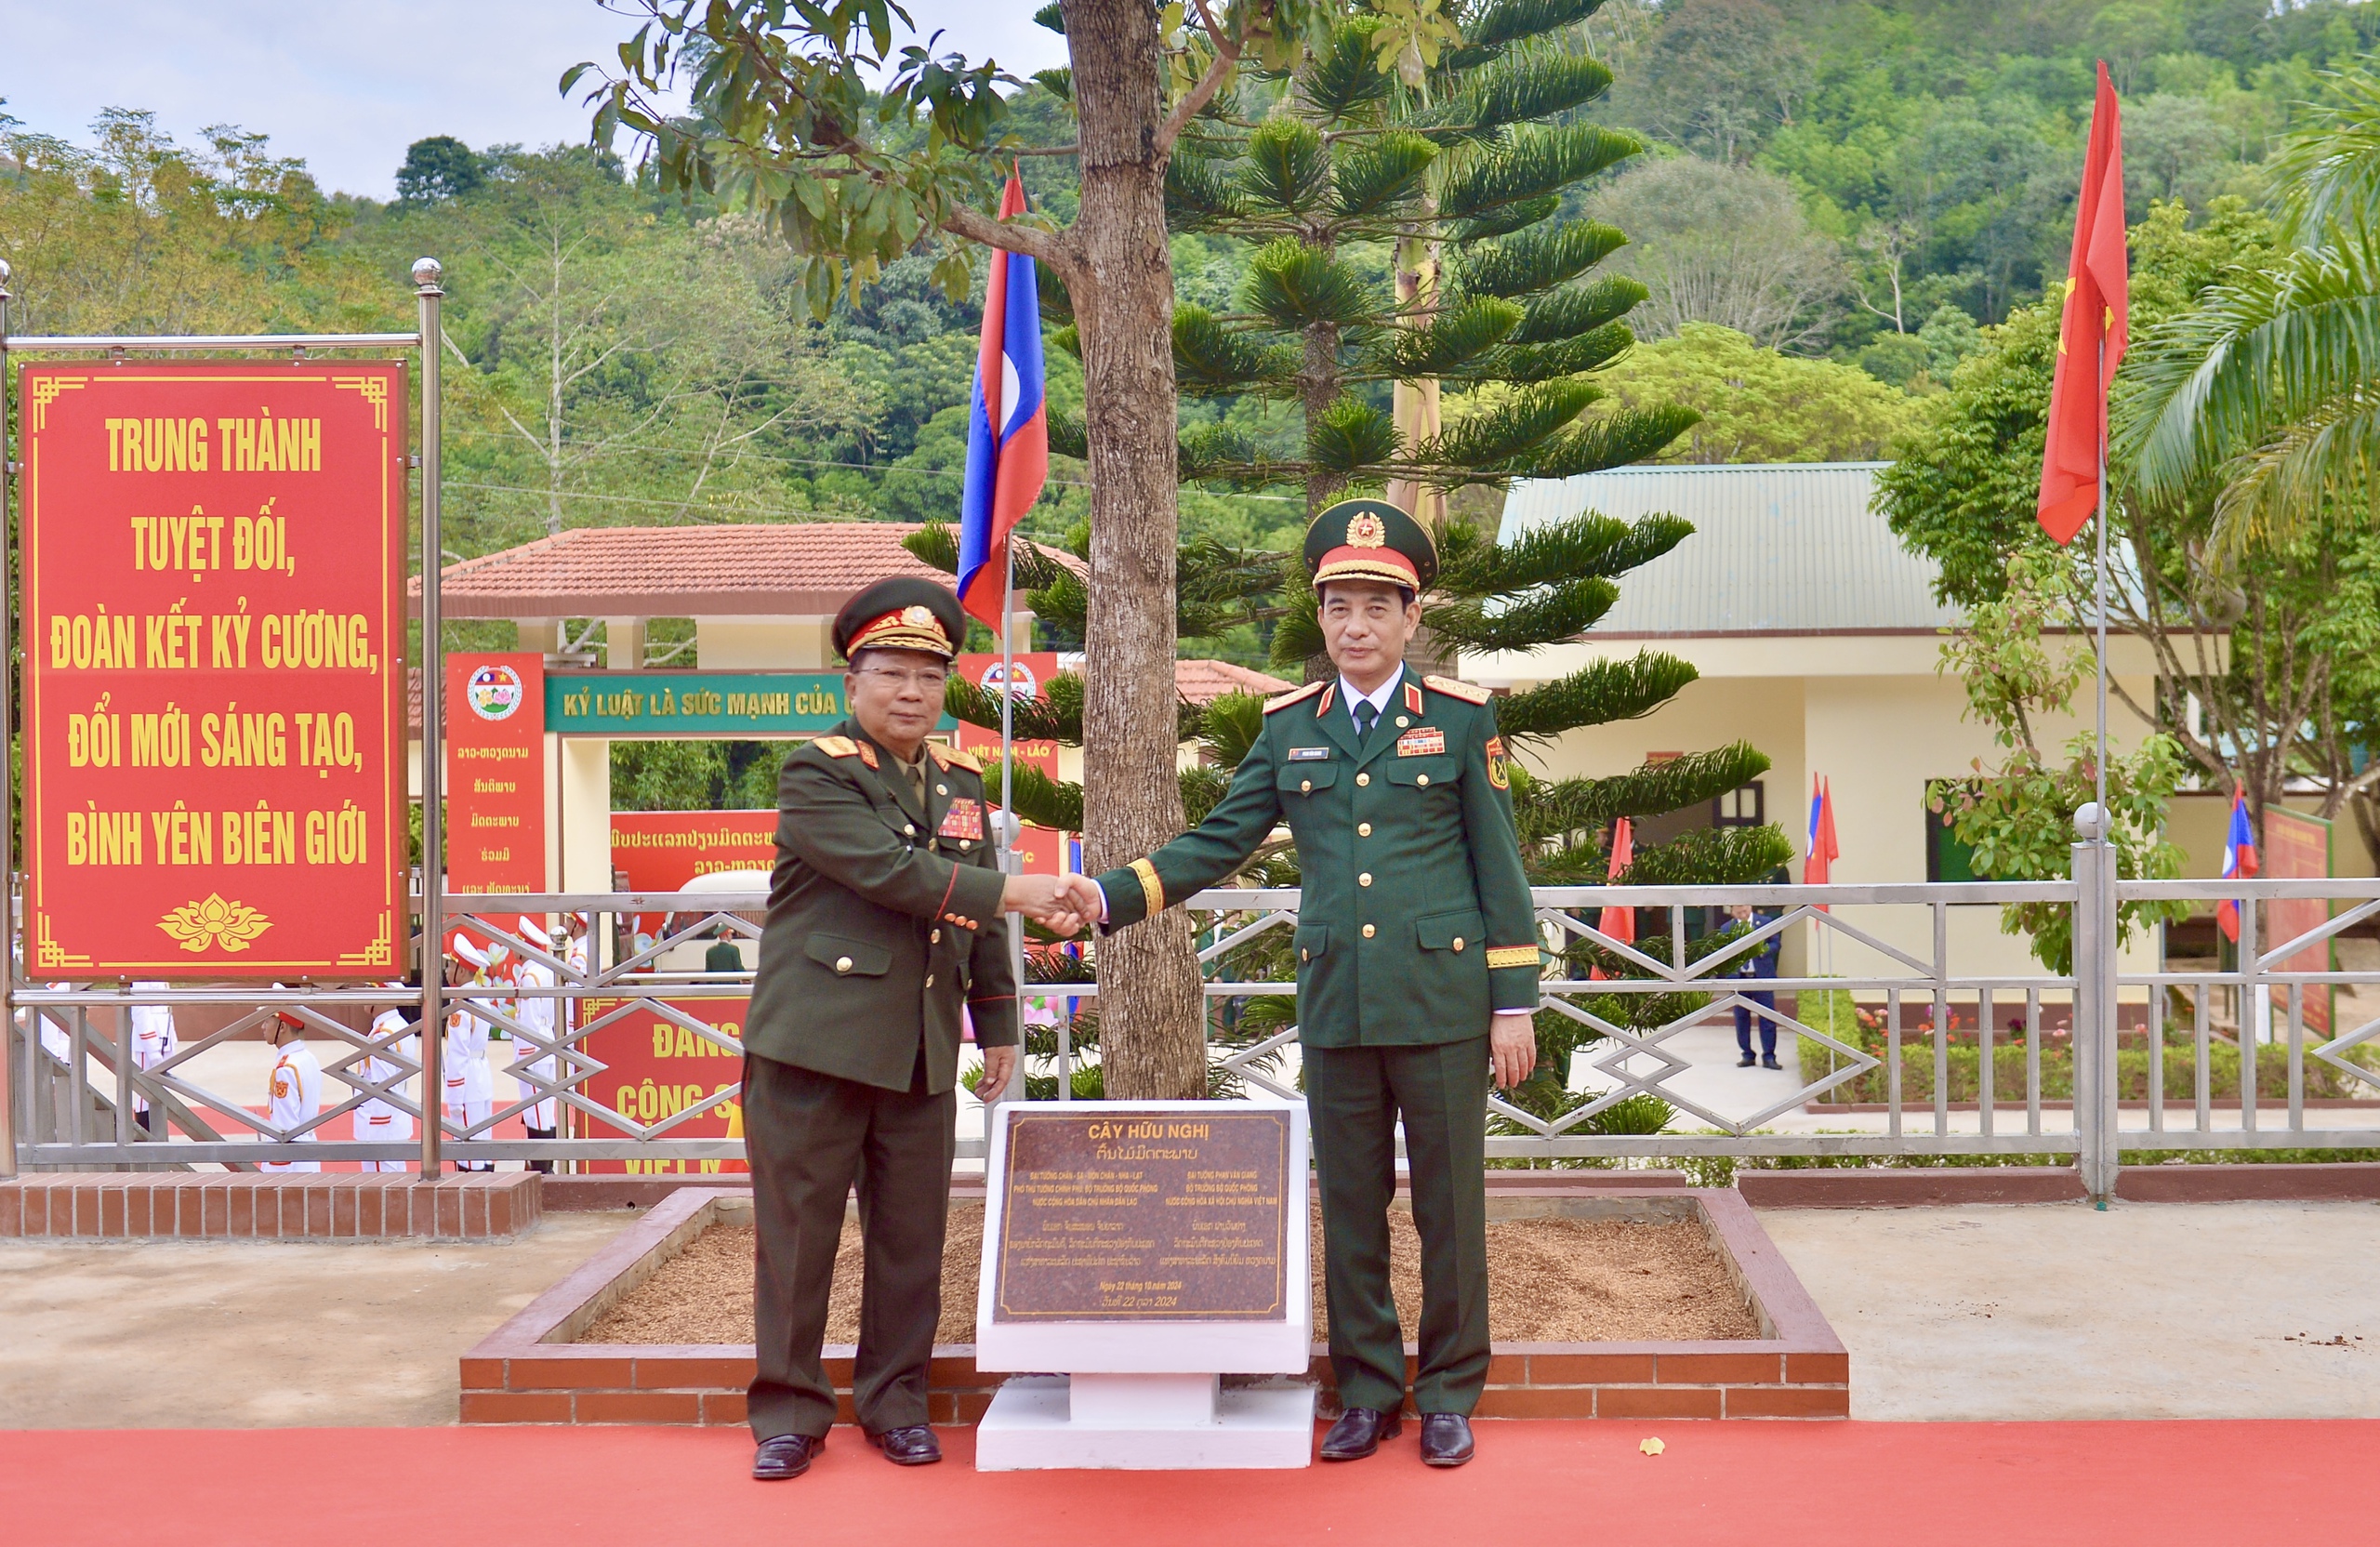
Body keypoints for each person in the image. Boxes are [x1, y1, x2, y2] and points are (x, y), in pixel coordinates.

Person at [1058, 498, 1538, 1470]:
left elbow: (1501, 868)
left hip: (1442, 1007)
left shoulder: (1456, 720)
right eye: (1337, 608)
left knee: (1450, 1209)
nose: (1354, 626)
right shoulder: (1290, 730)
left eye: (1374, 606)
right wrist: (1109, 895)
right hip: (1338, 1008)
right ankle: (1365, 1390)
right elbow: (1217, 840)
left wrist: (1513, 1002)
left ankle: (1447, 1391)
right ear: (1319, 619)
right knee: (1350, 1210)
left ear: (1410, 617)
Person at [740, 576, 1088, 1482]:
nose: (910, 692)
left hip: (923, 1046)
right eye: (890, 673)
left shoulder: (960, 782)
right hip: (813, 1046)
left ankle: (896, 1403)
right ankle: (788, 1410)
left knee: (910, 1238)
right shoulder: (816, 771)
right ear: (851, 681)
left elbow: (967, 917)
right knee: (798, 1236)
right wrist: (1020, 889)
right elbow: (889, 872)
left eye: (928, 677)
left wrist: (998, 1019)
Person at [513, 919, 562, 1172]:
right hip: (546, 1041)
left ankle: (542, 1168)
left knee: (537, 1113)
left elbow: (528, 1023)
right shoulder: (545, 970)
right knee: (544, 1109)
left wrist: (524, 1059)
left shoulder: (531, 976)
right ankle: (543, 1166)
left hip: (533, 1049)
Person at [354, 983, 419, 1170]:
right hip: (395, 1119)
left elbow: (382, 1088)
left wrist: (377, 1130)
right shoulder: (398, 1025)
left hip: (380, 1125)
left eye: (369, 989)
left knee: (379, 1190)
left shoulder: (383, 1033)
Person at [443, 941, 496, 1172]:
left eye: (450, 965)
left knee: (466, 1146)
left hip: (467, 1079)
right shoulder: (480, 998)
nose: (446, 971)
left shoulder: (460, 1007)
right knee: (483, 1141)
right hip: (481, 1071)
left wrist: (454, 1097)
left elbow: (457, 1056)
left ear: (461, 971)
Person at [258, 1006, 323, 1173]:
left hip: (290, 1163)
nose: (263, 1027)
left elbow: (284, 1128)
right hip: (308, 1153)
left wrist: (277, 1167)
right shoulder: (307, 1057)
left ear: (283, 1027)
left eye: (267, 1021)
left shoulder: (286, 1068)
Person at [1727, 901, 1784, 1070]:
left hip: (1762, 977)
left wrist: (1762, 950)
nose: (1742, 915)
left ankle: (1769, 1056)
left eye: (1744, 911)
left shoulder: (1765, 922)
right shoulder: (1726, 928)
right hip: (1739, 979)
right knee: (1741, 1018)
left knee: (1767, 1017)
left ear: (1750, 907)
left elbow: (1776, 943)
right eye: (1738, 913)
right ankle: (1747, 1054)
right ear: (1732, 912)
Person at [127, 982, 176, 1134]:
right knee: (146, 1093)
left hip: (165, 1034)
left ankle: (159, 1132)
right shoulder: (141, 974)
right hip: (149, 1040)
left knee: (161, 1090)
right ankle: (145, 1134)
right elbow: (139, 1010)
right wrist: (152, 1047)